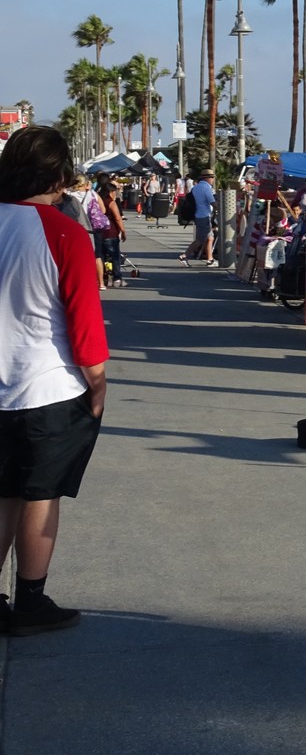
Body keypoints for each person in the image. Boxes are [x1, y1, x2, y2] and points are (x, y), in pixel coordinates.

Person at [0, 126, 108, 635]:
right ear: (58, 176)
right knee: (40, 493)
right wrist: (99, 384)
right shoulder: (64, 233)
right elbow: (83, 320)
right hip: (47, 386)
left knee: (2, 494)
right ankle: (31, 601)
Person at [180, 168, 217, 267]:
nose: (213, 179)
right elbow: (212, 201)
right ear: (207, 178)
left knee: (210, 238)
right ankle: (184, 256)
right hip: (204, 216)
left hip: (198, 215)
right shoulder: (206, 188)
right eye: (212, 177)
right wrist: (221, 208)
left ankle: (210, 259)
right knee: (200, 240)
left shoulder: (196, 187)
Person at [95, 174, 127, 289]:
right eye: (114, 192)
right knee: (115, 256)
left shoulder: (98, 200)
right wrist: (123, 231)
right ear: (110, 192)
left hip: (100, 232)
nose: (115, 195)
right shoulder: (111, 203)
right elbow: (118, 218)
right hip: (111, 232)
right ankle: (117, 277)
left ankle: (103, 277)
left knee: (101, 256)